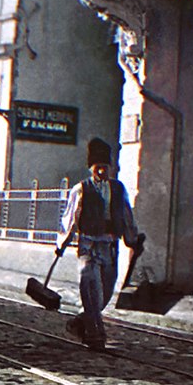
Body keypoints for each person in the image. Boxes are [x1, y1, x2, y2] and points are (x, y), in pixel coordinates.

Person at [55, 137, 140, 350]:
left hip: (110, 248)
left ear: (110, 167)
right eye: (97, 167)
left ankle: (79, 322)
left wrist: (132, 239)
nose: (101, 171)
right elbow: (70, 218)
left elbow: (126, 215)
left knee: (106, 294)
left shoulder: (118, 189)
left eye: (105, 167)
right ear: (91, 168)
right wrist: (62, 243)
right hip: (89, 247)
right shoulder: (81, 189)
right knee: (92, 291)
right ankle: (96, 335)